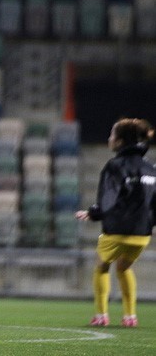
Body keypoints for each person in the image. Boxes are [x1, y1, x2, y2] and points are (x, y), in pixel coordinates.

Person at [75, 118, 156, 327]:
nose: (109, 139)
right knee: (124, 268)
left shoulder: (114, 166)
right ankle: (130, 316)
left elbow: (109, 197)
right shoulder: (150, 169)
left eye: (112, 135)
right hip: (142, 234)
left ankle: (101, 315)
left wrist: (94, 213)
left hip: (117, 231)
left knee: (102, 266)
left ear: (120, 141)